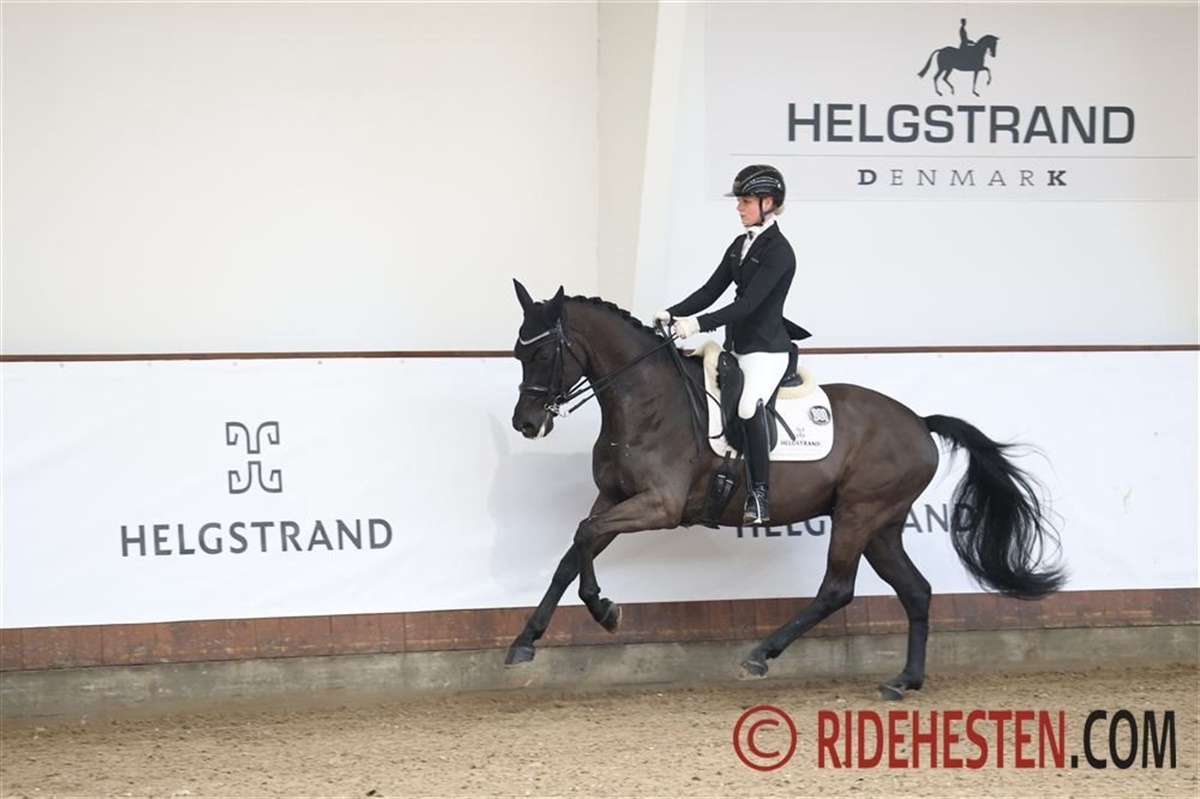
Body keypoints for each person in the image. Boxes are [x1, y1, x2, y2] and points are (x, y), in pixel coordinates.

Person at [653, 165, 809, 525]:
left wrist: (697, 324)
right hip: (736, 346)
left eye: (746, 201)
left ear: (768, 203)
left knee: (749, 408)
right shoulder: (740, 245)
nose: (738, 208)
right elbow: (710, 290)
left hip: (766, 351)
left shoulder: (780, 251)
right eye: (739, 201)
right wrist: (673, 312)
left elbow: (748, 304)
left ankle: (760, 495)